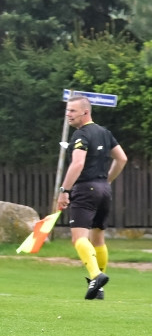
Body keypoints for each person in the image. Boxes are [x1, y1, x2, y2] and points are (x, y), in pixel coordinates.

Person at [56, 95, 128, 300]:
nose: (68, 115)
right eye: (67, 110)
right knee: (98, 237)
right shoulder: (105, 133)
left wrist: (64, 191)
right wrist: (108, 180)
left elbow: (77, 164)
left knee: (79, 238)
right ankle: (100, 288)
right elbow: (122, 158)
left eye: (72, 111)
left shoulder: (81, 135)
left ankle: (96, 275)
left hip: (85, 188)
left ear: (85, 112)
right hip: (103, 189)